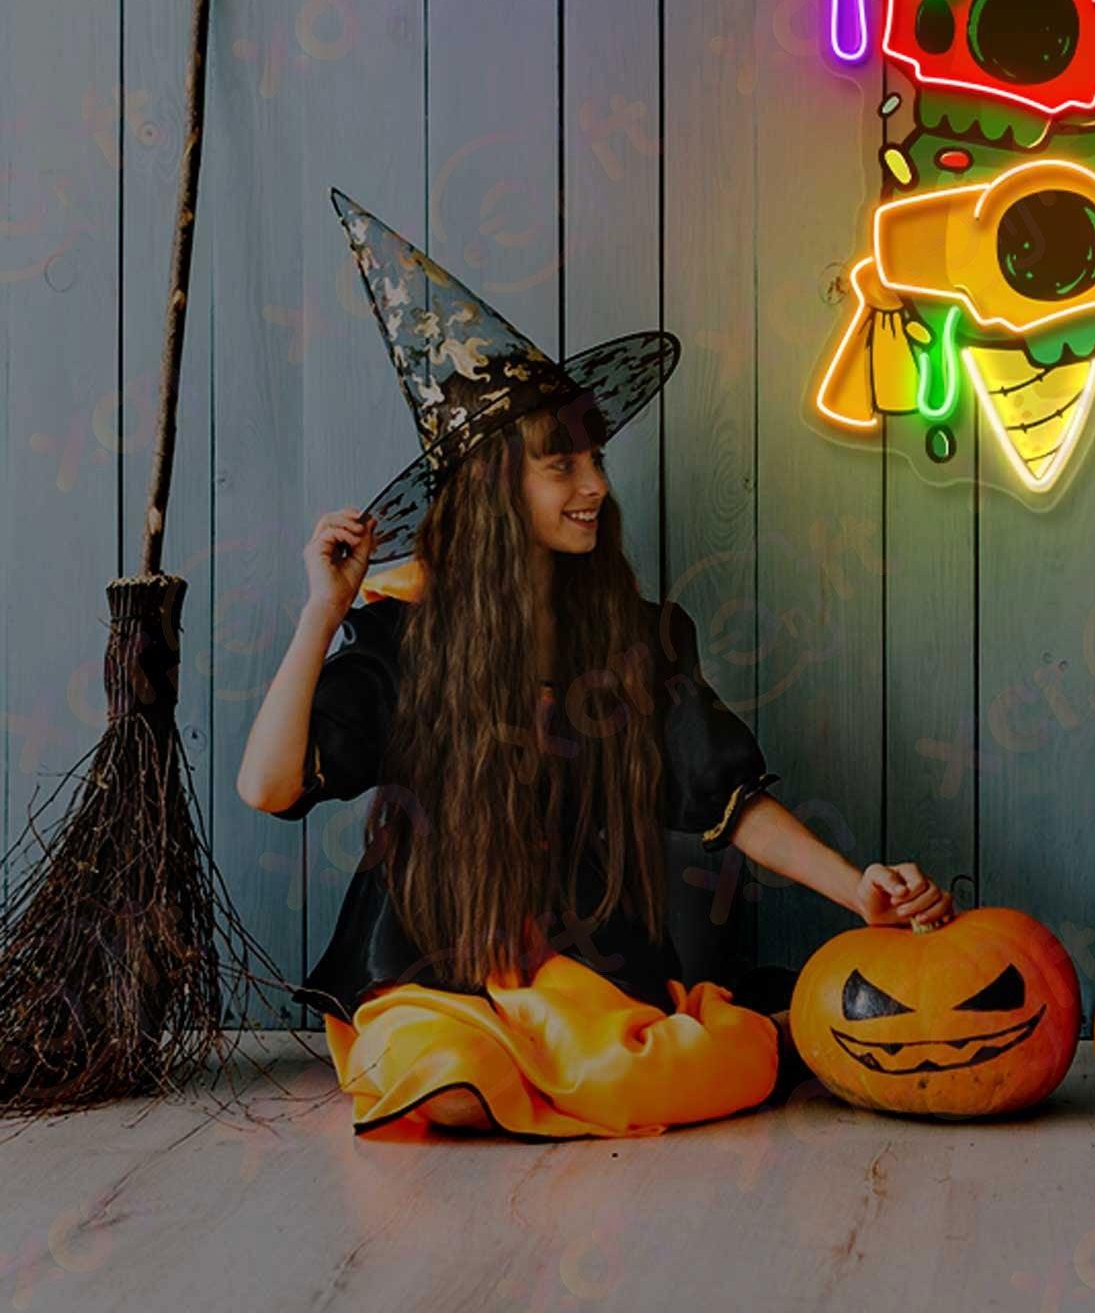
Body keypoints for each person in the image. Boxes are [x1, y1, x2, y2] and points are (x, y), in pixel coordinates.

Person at [237, 191, 951, 1141]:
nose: (596, 487)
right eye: (562, 465)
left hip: (582, 975)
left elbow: (728, 803)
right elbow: (268, 785)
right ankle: (522, 1065)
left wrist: (856, 888)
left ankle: (712, 1040)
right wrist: (322, 613)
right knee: (445, 1089)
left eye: (594, 458)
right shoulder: (406, 638)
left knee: (636, 1075)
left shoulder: (635, 640)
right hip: (430, 969)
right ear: (497, 488)